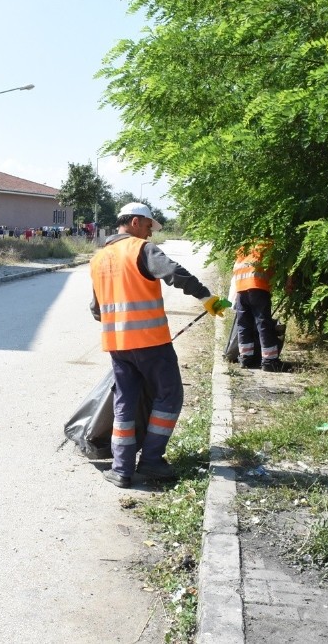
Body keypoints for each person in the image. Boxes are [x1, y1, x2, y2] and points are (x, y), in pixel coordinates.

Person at [90, 202, 227, 489]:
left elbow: (96, 309)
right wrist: (207, 298)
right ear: (136, 222)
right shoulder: (140, 249)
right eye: (149, 226)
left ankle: (121, 469)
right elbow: (174, 272)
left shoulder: (98, 258)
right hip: (151, 343)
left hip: (118, 346)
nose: (150, 233)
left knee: (125, 402)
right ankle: (151, 460)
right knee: (169, 396)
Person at [233, 239, 286, 372]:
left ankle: (246, 358)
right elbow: (282, 267)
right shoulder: (268, 244)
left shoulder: (244, 246)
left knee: (244, 324)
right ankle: (270, 361)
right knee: (263, 323)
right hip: (257, 287)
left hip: (240, 289)